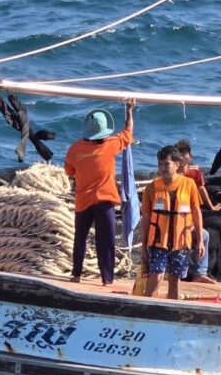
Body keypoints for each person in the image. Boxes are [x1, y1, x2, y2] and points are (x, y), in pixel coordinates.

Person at [64, 98, 135, 285]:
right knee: (106, 241)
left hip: (83, 201)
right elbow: (128, 131)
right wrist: (129, 110)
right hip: (105, 201)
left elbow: (69, 171)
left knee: (80, 238)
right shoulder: (111, 144)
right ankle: (107, 280)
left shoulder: (74, 149)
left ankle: (76, 275)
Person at [138, 145, 204, 300]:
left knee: (174, 281)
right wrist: (144, 245)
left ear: (176, 164)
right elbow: (146, 218)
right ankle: (146, 309)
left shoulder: (189, 185)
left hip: (181, 242)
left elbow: (196, 212)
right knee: (156, 278)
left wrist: (200, 240)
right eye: (160, 164)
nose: (162, 168)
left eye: (166, 164)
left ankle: (174, 309)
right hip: (157, 242)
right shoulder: (151, 188)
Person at [177, 139, 221, 284]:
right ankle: (179, 272)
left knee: (205, 235)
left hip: (190, 214)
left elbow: (201, 189)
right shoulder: (173, 175)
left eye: (184, 154)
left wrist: (211, 207)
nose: (182, 157)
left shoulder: (194, 172)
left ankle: (199, 273)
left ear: (190, 156)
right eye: (179, 154)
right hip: (177, 219)